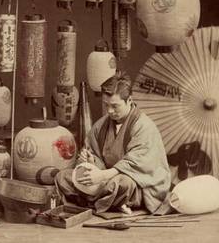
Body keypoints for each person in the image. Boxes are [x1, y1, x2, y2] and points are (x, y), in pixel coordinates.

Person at [55, 71, 171, 215]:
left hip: (137, 183)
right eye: (106, 105)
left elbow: (136, 164)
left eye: (115, 106)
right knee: (62, 177)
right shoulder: (101, 125)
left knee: (123, 184)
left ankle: (94, 201)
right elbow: (93, 155)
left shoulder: (143, 126)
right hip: (104, 181)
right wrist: (91, 161)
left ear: (129, 100)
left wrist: (102, 176)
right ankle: (110, 203)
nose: (109, 111)